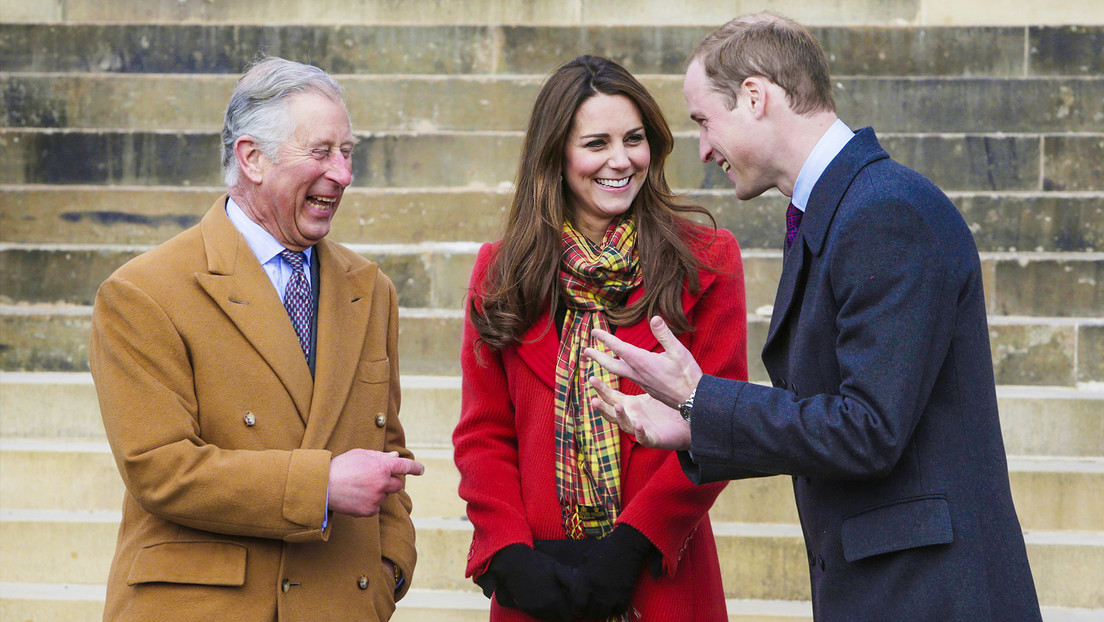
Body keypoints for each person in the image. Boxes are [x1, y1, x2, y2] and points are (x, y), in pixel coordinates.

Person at [584, 13, 1043, 621]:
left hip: (929, 594)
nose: (702, 148)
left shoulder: (885, 213)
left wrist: (702, 398)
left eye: (703, 121)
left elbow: (868, 430)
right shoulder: (847, 208)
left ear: (755, 97)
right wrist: (697, 428)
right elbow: (829, 417)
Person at [89, 56, 424, 621]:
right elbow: (159, 468)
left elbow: (386, 448)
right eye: (320, 152)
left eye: (347, 153)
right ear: (252, 159)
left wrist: (390, 567)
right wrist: (320, 485)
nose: (342, 174)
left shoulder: (372, 290)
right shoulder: (143, 291)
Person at [452, 55, 747, 622]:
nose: (621, 160)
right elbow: (484, 433)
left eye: (634, 139)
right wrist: (509, 552)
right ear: (556, 155)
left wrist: (634, 541)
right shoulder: (501, 272)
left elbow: (723, 424)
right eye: (596, 143)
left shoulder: (708, 262)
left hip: (658, 571)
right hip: (540, 583)